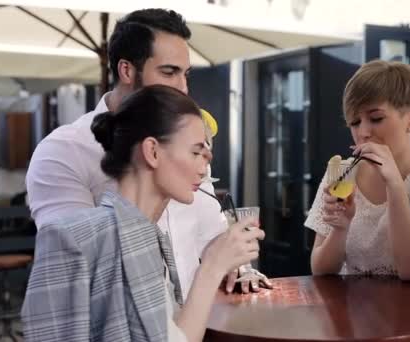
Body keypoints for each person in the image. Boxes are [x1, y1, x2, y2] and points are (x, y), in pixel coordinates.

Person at [25, 8, 270, 298]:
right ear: (127, 70)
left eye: (185, 74)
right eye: (169, 72)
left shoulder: (183, 143)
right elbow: (75, 264)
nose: (183, 88)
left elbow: (210, 235)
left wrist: (235, 268)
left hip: (196, 324)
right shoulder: (63, 152)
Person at [22, 85, 265, 342]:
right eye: (195, 153)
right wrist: (212, 267)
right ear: (152, 151)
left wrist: (216, 267)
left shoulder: (155, 240)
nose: (204, 171)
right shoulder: (69, 238)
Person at [305, 60, 410, 280]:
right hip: (349, 312)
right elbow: (320, 269)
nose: (363, 132)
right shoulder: (341, 174)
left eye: (376, 118)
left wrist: (394, 184)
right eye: (354, 122)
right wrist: (340, 228)